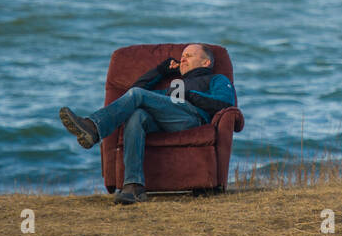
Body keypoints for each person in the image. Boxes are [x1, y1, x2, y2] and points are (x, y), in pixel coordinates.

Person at [59, 44, 236, 205]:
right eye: (182, 56)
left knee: (138, 96)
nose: (183, 58)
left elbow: (225, 103)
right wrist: (161, 71)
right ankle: (133, 186)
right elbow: (134, 93)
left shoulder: (216, 79)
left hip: (192, 118)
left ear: (205, 62)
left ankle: (94, 128)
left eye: (189, 55)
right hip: (167, 117)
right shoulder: (176, 85)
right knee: (136, 115)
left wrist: (190, 96)